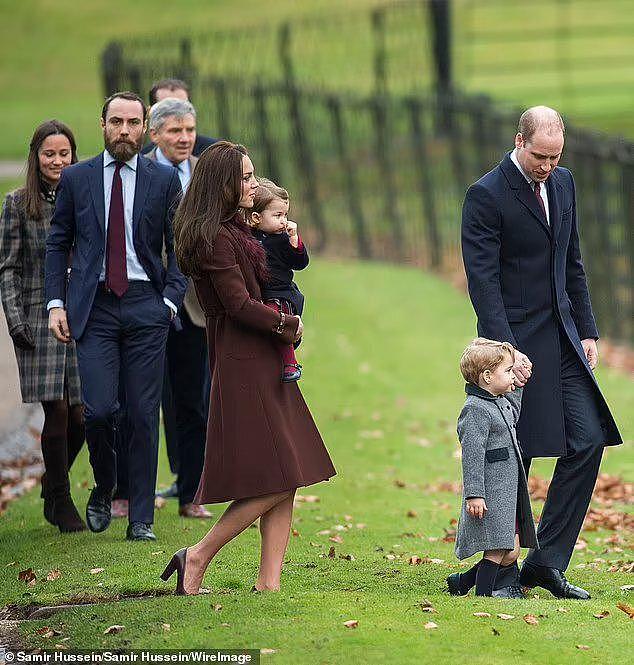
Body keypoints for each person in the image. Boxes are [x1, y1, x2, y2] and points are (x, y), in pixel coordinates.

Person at [461, 105, 622, 599]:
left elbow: (571, 259)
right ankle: (498, 570)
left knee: (588, 438)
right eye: (539, 156)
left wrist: (588, 328)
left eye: (555, 157)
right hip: (514, 339)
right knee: (515, 454)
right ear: (519, 141)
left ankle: (545, 563)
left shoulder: (565, 183)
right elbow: (482, 280)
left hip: (564, 336)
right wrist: (503, 351)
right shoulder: (486, 196)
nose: (547, 166)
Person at [160, 141, 336, 594]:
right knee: (281, 472)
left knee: (289, 472)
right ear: (223, 184)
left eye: (253, 175)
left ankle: (269, 584)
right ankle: (197, 556)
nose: (253, 184)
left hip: (265, 353)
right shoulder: (215, 238)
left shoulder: (236, 228)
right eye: (245, 177)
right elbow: (237, 304)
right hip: (244, 358)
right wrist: (285, 323)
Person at [45, 91, 188, 542]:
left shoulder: (163, 180)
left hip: (147, 303)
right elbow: (58, 243)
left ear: (145, 127)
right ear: (102, 125)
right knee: (101, 411)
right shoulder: (78, 179)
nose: (124, 131)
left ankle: (142, 518)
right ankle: (105, 486)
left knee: (144, 414)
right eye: (115, 122)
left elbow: (180, 246)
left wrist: (169, 299)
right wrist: (55, 303)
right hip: (95, 307)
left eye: (132, 123)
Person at [0, 120, 85, 533]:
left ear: (73, 155)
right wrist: (16, 322)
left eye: (63, 153)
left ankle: (52, 482)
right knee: (56, 410)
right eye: (49, 153)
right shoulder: (17, 204)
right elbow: (8, 268)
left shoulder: (83, 196)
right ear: (36, 157)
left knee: (84, 415)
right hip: (36, 315)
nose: (56, 160)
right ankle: (62, 500)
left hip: (81, 315)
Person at [448, 338, 538, 598]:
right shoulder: (475, 410)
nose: (512, 375)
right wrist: (474, 494)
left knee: (510, 551)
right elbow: (472, 456)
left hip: (506, 491)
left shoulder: (497, 401)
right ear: (487, 377)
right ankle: (483, 596)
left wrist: (518, 384)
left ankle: (462, 582)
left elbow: (514, 412)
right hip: (490, 492)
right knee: (499, 548)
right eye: (507, 371)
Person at [248, 177, 309, 382]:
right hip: (261, 292)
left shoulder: (282, 239)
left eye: (285, 215)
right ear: (256, 217)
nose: (284, 221)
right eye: (278, 215)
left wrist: (294, 242)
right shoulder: (248, 237)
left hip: (280, 292)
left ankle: (290, 362)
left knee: (279, 320)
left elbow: (299, 263)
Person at [144, 78, 216, 157]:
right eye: (167, 107)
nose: (177, 111)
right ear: (150, 112)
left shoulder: (214, 153)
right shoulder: (139, 161)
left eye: (183, 106)